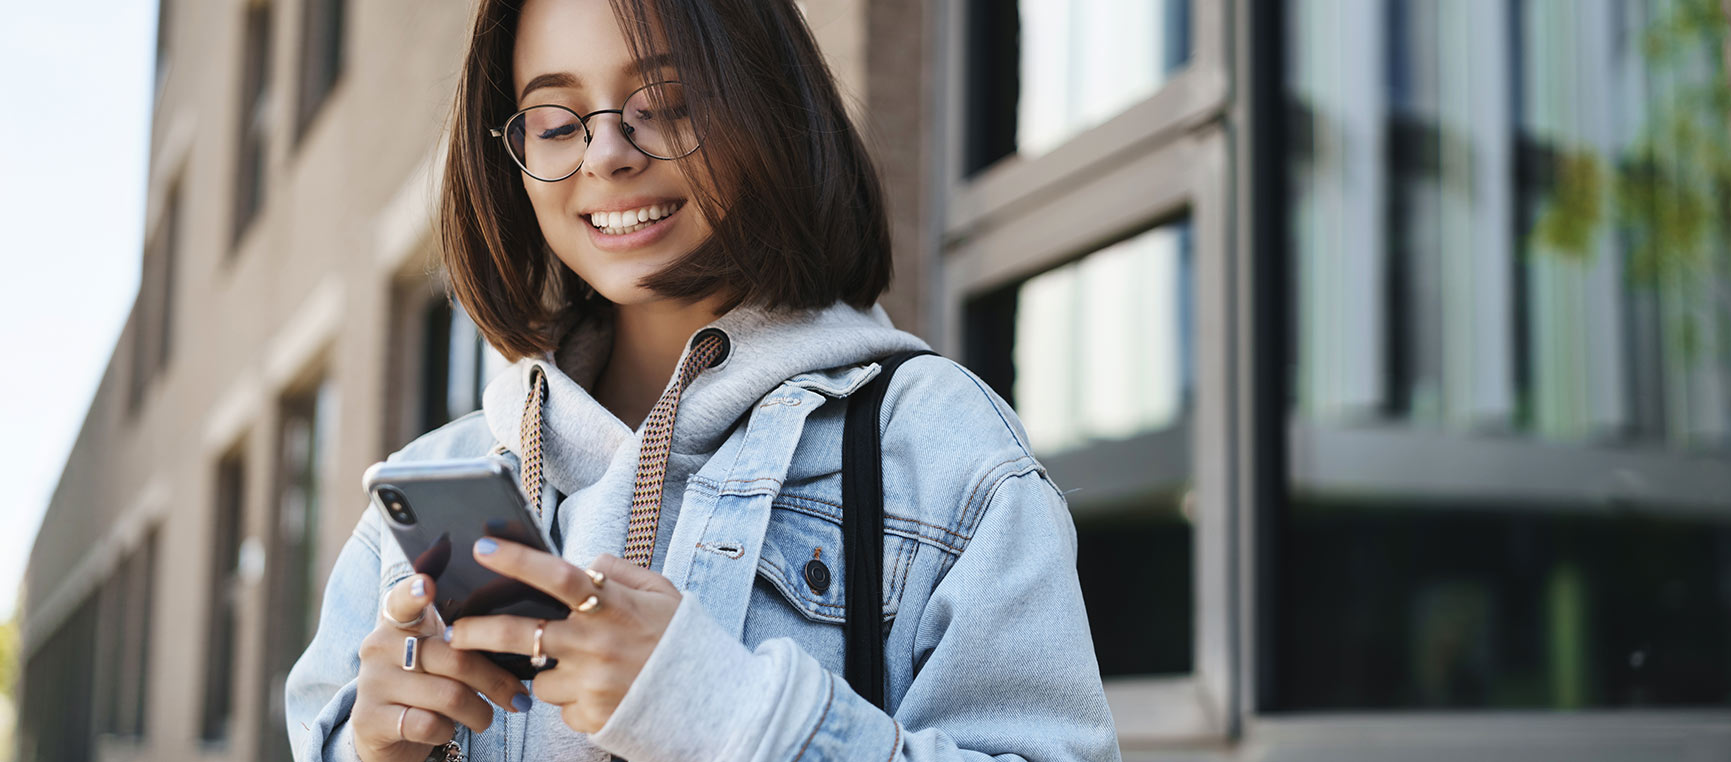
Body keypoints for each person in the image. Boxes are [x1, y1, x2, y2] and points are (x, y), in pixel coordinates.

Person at [284, 0, 1119, 759]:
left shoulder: (935, 446)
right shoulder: (429, 491)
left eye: (667, 105)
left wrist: (724, 712)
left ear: (770, 107)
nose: (607, 152)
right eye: (554, 120)